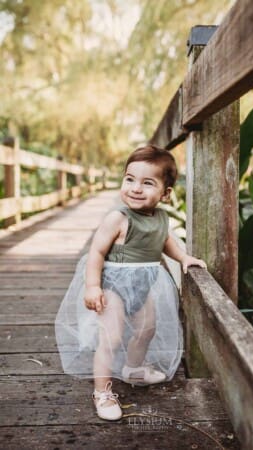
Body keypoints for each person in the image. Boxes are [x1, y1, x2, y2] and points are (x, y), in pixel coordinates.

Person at [55, 144, 207, 421]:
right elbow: (96, 252)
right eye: (129, 179)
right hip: (114, 284)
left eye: (147, 183)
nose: (135, 188)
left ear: (165, 193)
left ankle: (133, 368)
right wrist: (92, 286)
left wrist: (184, 257)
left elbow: (167, 242)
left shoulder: (162, 218)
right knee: (110, 338)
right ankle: (102, 392)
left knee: (147, 329)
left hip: (144, 282)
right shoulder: (118, 218)